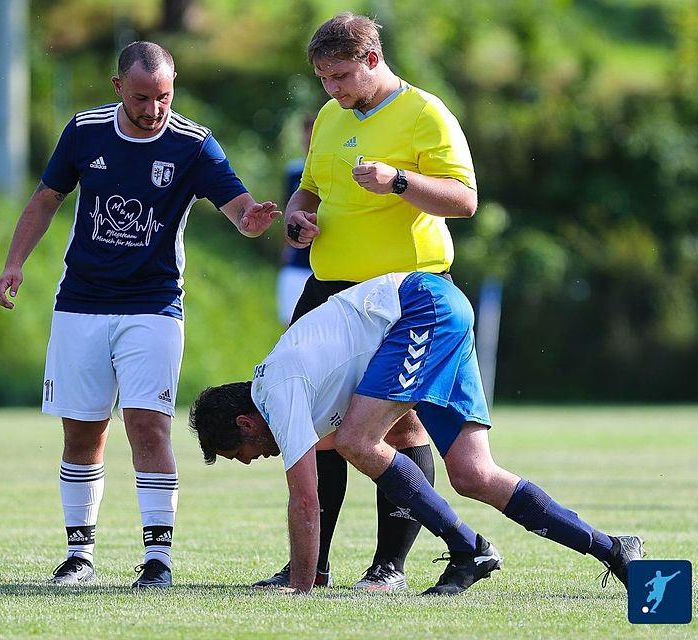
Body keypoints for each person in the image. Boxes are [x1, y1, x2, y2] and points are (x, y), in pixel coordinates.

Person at [0, 41, 280, 590]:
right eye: (143, 97)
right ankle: (79, 555)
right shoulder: (84, 131)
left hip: (153, 305)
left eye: (165, 97)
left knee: (148, 424)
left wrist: (253, 219)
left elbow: (238, 207)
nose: (154, 110)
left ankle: (158, 560)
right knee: (83, 431)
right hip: (80, 301)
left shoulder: (194, 144)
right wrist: (14, 263)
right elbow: (46, 199)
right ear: (118, 86)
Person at [190, 272, 645, 595]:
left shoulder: (278, 390)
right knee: (472, 473)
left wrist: (300, 586)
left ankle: (470, 548)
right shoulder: (289, 389)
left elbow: (305, 499)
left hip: (421, 307)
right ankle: (614, 549)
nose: (251, 461)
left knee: (357, 441)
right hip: (433, 309)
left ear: (245, 423)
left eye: (240, 452)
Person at [257, 12, 480, 591]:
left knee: (399, 432)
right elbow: (311, 186)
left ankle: (390, 567)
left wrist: (399, 181)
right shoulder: (332, 116)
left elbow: (464, 200)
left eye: (340, 77)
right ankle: (313, 564)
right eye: (324, 79)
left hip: (401, 298)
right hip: (328, 294)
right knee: (311, 422)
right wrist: (299, 218)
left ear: (373, 60)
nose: (331, 90)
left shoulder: (426, 113)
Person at [275, 114, 313, 326]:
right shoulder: (293, 171)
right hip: (297, 261)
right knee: (290, 324)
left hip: (323, 263)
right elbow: (287, 209)